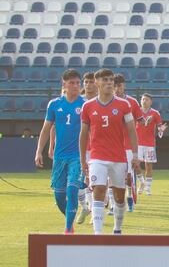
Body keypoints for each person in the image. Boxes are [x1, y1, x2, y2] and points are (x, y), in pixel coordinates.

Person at [79, 68, 141, 235]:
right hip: (97, 157)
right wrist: (83, 159)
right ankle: (97, 234)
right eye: (105, 80)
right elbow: (83, 134)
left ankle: (117, 229)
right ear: (97, 82)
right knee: (98, 190)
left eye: (111, 80)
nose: (109, 83)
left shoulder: (124, 105)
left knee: (119, 197)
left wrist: (135, 156)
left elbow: (132, 131)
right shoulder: (87, 106)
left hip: (118, 158)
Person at [34, 69, 86, 234]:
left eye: (78, 83)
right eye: (72, 83)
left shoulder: (85, 104)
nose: (76, 86)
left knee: (72, 190)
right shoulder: (54, 104)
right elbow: (46, 129)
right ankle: (70, 220)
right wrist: (39, 151)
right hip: (59, 156)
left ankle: (68, 230)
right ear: (64, 84)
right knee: (59, 195)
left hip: (78, 156)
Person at [113, 74, 143, 213]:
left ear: (124, 85)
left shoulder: (132, 102)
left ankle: (130, 199)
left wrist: (145, 121)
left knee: (129, 176)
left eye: (119, 85)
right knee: (113, 176)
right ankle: (114, 205)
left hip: (129, 145)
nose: (117, 89)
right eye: (114, 86)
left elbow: (140, 119)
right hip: (113, 144)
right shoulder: (109, 102)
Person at [76, 71, 98, 224]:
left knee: (91, 180)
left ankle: (93, 209)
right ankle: (85, 206)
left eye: (91, 82)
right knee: (76, 181)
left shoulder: (100, 101)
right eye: (86, 82)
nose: (88, 85)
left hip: (96, 147)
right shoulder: (78, 102)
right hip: (78, 147)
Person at [136, 93, 166, 196]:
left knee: (149, 166)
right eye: (143, 99)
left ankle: (148, 188)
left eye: (147, 99)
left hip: (149, 143)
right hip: (137, 143)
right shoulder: (136, 111)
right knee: (135, 164)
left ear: (151, 102)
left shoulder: (155, 113)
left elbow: (159, 127)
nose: (144, 101)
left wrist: (161, 130)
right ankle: (142, 182)